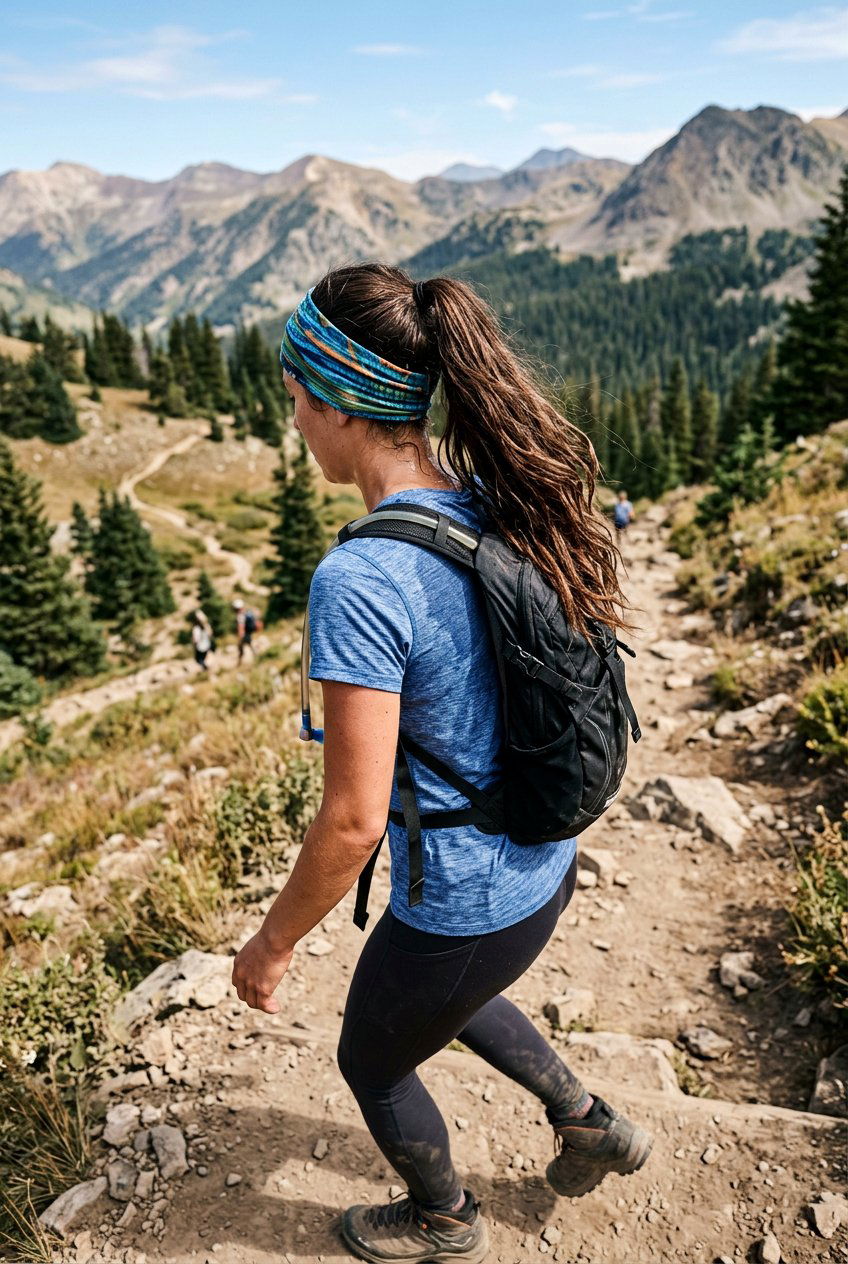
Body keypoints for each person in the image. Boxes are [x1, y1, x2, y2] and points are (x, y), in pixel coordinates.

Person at [231, 264, 652, 1264]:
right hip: (543, 858)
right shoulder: (492, 497)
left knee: (371, 1059)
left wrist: (271, 945)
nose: (293, 419)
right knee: (446, 998)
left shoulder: (361, 577)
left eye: (296, 396)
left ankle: (444, 1217)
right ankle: (588, 1120)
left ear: (340, 404)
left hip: (464, 900)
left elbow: (351, 822)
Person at [232, 597, 257, 663]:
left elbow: (241, 626)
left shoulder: (240, 616)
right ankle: (256, 657)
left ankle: (240, 662)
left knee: (241, 648)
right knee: (249, 645)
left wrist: (240, 637)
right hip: (248, 633)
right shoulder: (246, 612)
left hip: (244, 634)